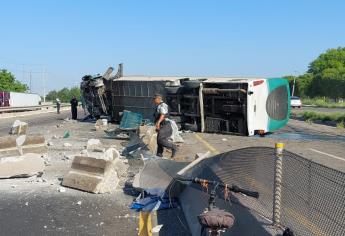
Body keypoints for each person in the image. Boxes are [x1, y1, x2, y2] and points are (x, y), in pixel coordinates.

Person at [153, 93, 178, 158]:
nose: (153, 100)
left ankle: (174, 147)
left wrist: (158, 123)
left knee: (160, 140)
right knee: (159, 142)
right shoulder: (159, 106)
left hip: (166, 125)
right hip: (163, 125)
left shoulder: (162, 105)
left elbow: (163, 114)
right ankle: (159, 156)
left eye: (154, 99)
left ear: (159, 99)